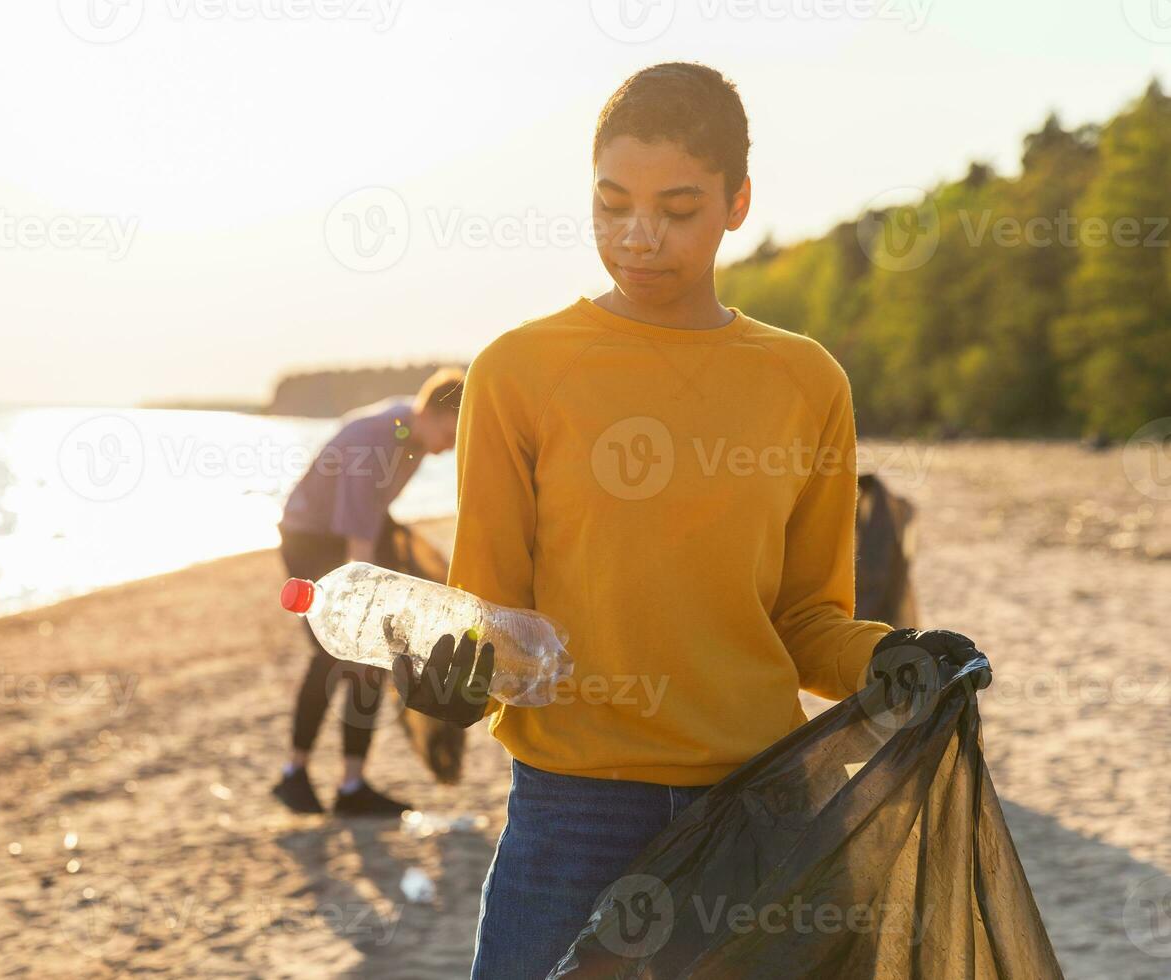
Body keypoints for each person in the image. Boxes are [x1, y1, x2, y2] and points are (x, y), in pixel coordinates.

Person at [393, 63, 993, 976]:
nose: (639, 237)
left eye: (677, 208)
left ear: (737, 201)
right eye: (612, 203)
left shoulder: (805, 380)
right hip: (572, 817)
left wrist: (890, 658)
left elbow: (805, 621)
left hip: (765, 812)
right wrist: (458, 683)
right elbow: (494, 618)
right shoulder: (517, 371)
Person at [270, 367, 465, 817]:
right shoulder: (379, 440)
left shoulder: (412, 438)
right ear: (428, 411)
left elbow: (372, 515)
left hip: (350, 535)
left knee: (370, 659)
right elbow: (355, 530)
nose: (452, 446)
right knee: (332, 652)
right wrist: (367, 596)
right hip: (311, 538)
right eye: (451, 433)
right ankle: (293, 774)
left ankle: (351, 784)